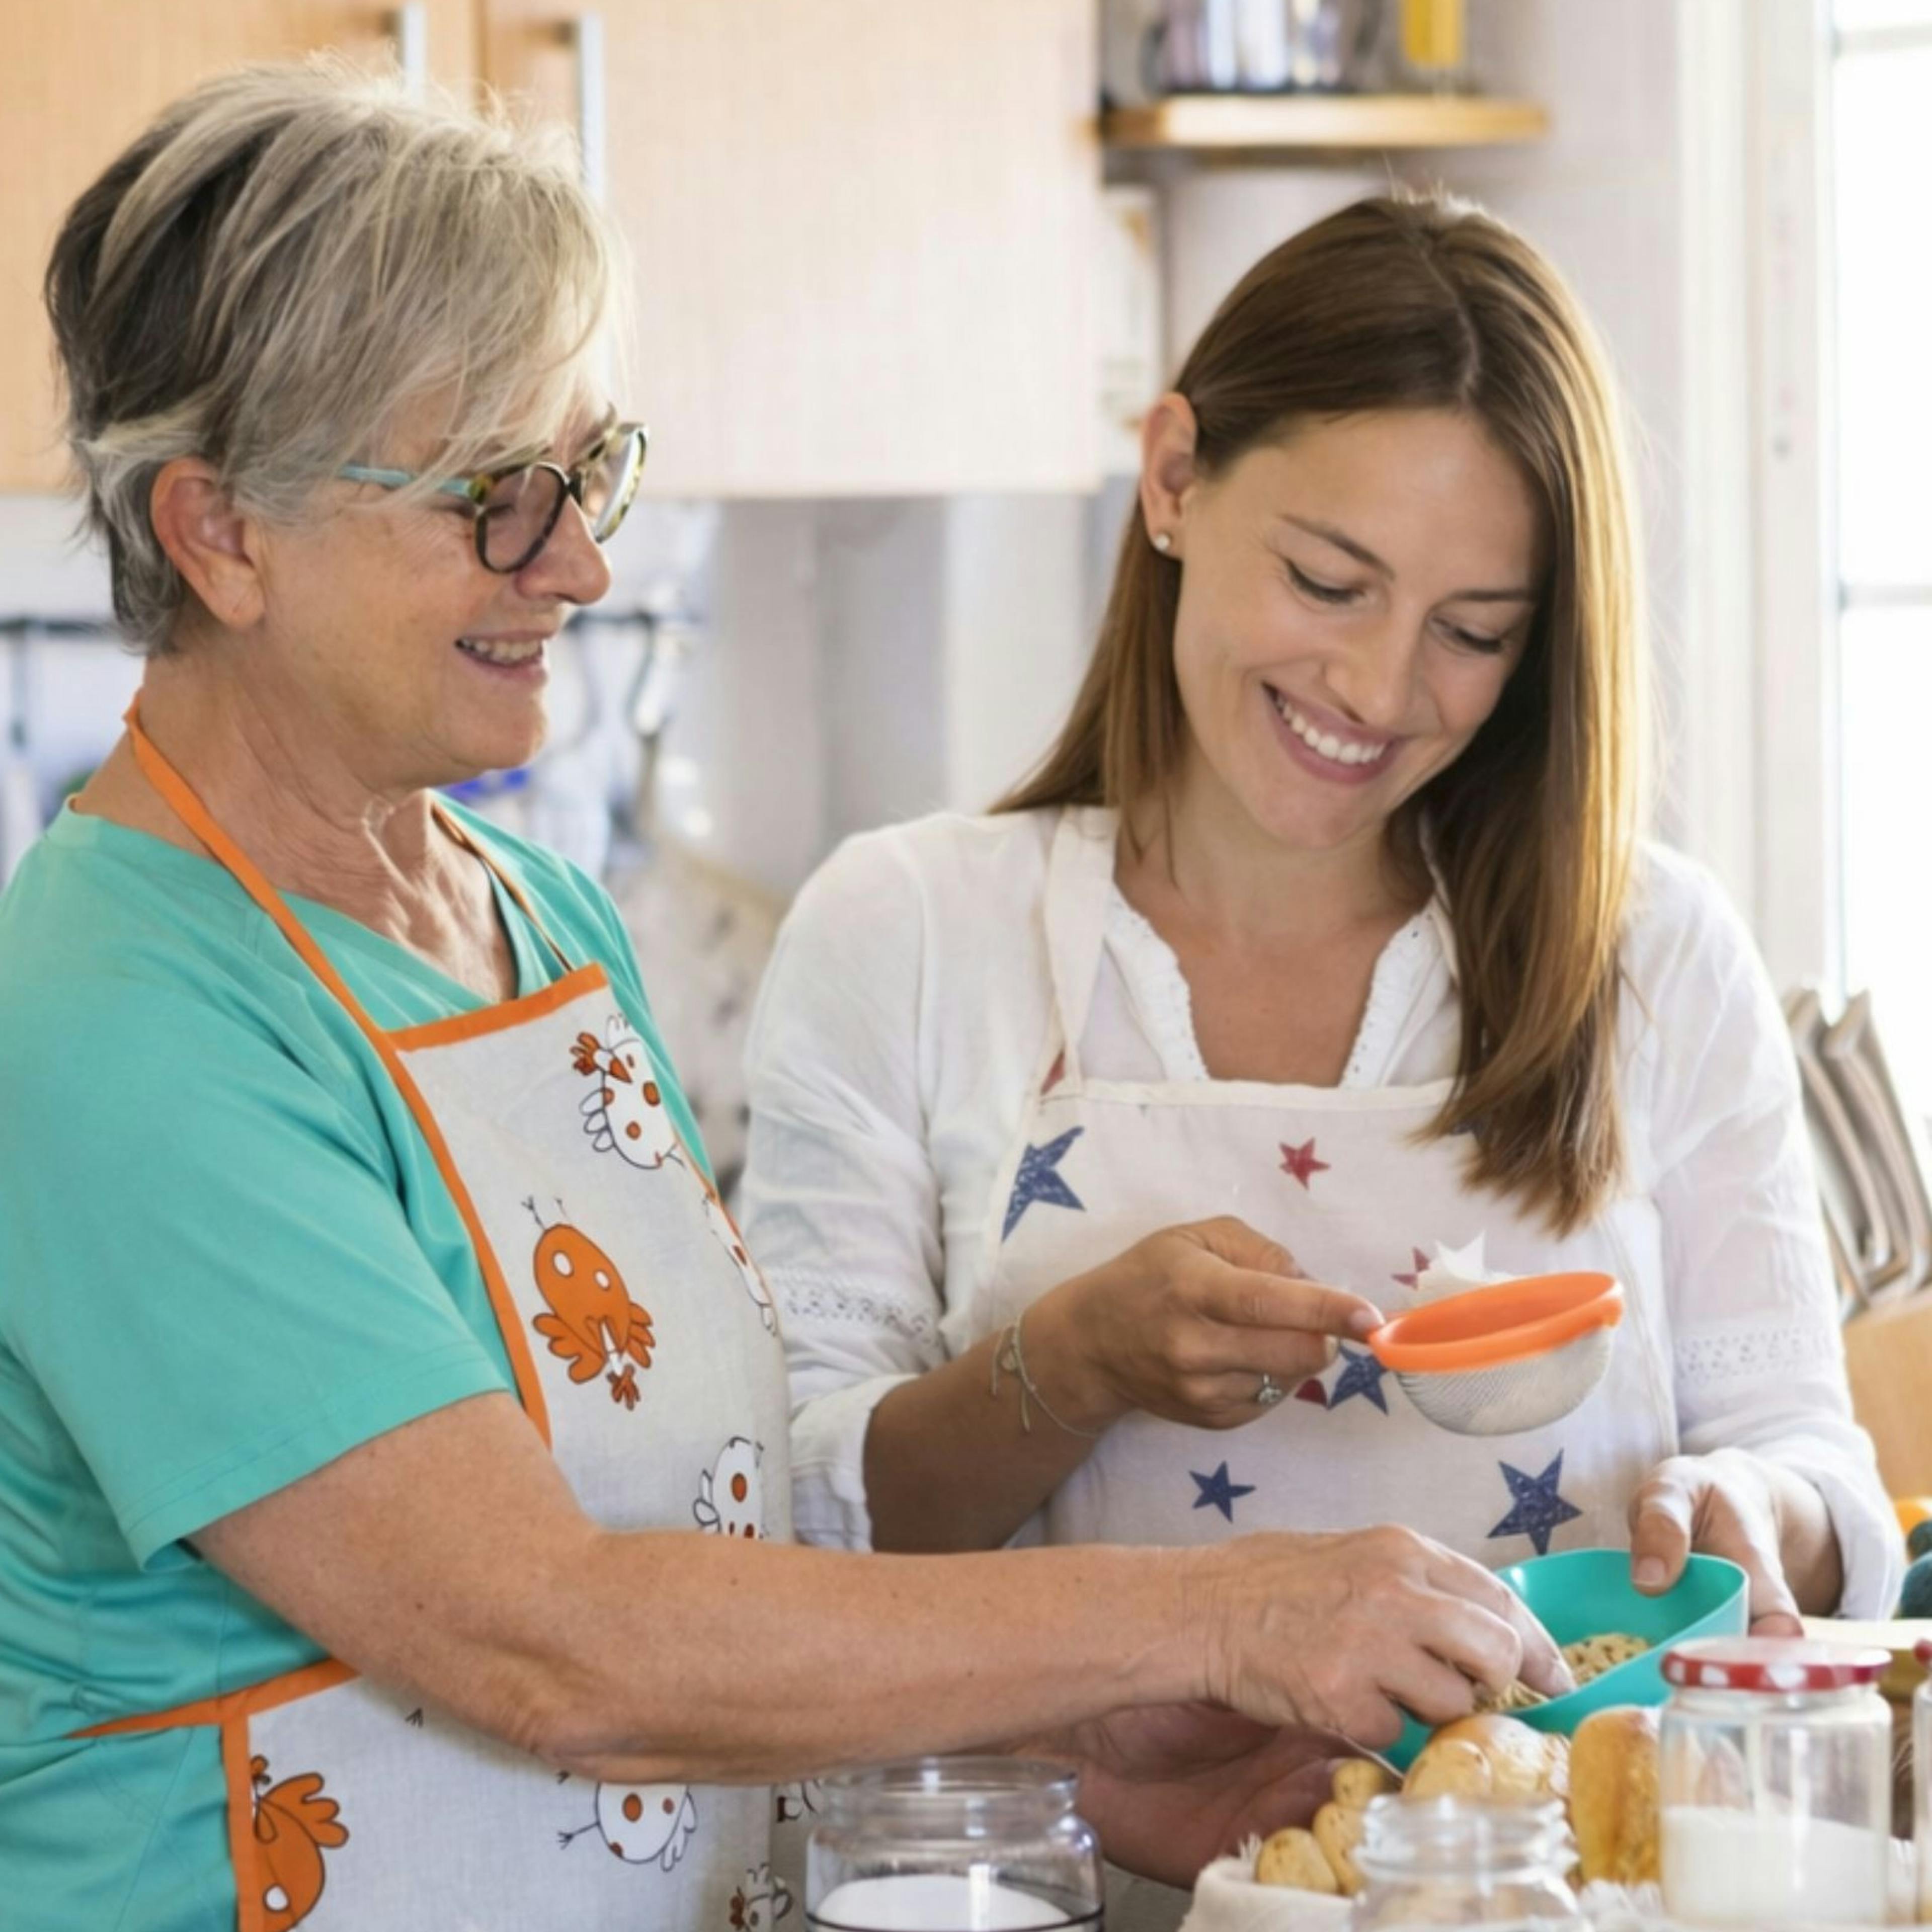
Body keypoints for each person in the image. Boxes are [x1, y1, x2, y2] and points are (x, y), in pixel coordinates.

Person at [0, 70, 1573, 1932]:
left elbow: (703, 1556)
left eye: (590, 472)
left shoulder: (540, 919)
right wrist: (1228, 1606)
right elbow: (553, 1643)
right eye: (497, 501)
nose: (579, 565)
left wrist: (1081, 1748)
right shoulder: (109, 1021)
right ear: (220, 535)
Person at [748, 193, 1900, 1759]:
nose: (1377, 688)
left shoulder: (1652, 955)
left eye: (1473, 632)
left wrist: (1757, 1509)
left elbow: (1812, 1464)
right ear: (1172, 479)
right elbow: (799, 1529)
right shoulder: (912, 932)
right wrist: (1066, 1369)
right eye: (1329, 581)